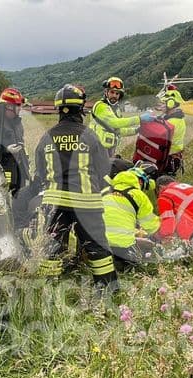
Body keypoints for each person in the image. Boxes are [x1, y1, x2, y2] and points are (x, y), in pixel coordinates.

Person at [33, 84, 118, 293]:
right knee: (97, 248)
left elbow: (41, 173)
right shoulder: (89, 136)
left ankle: (48, 290)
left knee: (52, 247)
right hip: (86, 204)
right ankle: (107, 289)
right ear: (81, 109)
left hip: (55, 205)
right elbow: (103, 169)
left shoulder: (46, 138)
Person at [102, 163, 161, 270]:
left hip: (99, 245)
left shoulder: (104, 191)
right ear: (139, 181)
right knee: (147, 253)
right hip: (123, 246)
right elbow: (151, 226)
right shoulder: (139, 195)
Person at [90, 76, 154, 157]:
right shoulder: (101, 106)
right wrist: (140, 118)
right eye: (112, 92)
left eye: (117, 93)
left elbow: (118, 131)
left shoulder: (116, 110)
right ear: (106, 92)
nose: (114, 95)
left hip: (109, 150)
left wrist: (136, 130)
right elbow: (115, 123)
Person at [0, 87, 30, 196]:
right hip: (4, 175)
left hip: (19, 172)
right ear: (8, 107)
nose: (20, 109)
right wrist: (6, 150)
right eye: (17, 106)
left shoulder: (17, 124)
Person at [160, 89, 186, 175]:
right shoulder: (176, 119)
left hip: (169, 158)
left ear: (170, 104)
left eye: (163, 103)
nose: (161, 105)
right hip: (172, 157)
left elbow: (159, 137)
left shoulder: (172, 121)